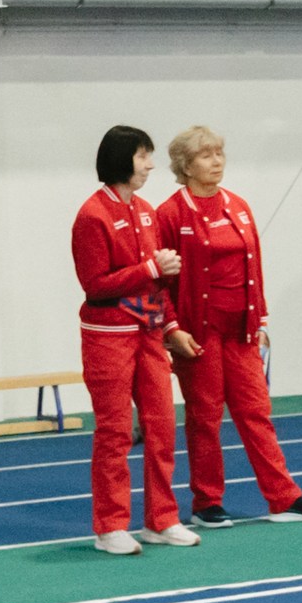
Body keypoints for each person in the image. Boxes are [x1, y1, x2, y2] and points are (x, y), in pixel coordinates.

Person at [153, 126, 302, 528]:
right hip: (198, 333)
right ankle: (206, 502)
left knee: (256, 412)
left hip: (242, 329)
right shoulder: (170, 214)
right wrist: (172, 328)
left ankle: (283, 496)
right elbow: (159, 282)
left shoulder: (238, 206)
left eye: (219, 153)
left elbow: (253, 267)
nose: (216, 162)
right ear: (186, 165)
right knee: (205, 417)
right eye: (205, 156)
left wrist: (261, 319)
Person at [72, 125, 200, 554]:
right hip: (108, 337)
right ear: (121, 159)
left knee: (162, 425)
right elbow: (94, 284)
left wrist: (171, 326)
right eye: (143, 156)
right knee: (115, 431)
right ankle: (110, 526)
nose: (150, 165)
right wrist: (149, 269)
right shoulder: (92, 215)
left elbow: (157, 284)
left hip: (149, 334)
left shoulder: (146, 211)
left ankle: (161, 519)